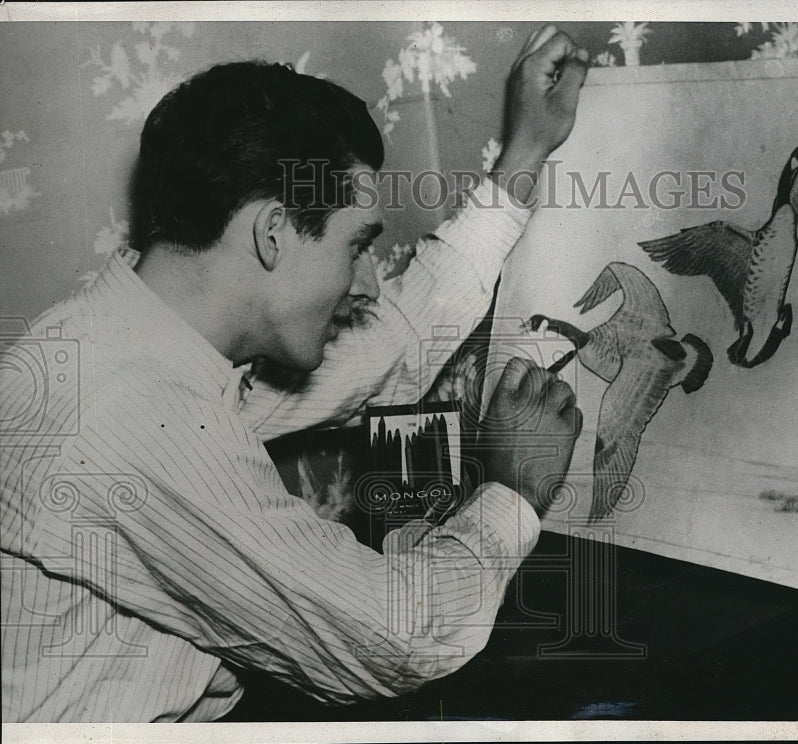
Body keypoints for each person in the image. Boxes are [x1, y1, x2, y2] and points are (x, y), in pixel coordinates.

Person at [0, 26, 588, 722]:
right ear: (273, 232)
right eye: (358, 245)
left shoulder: (135, 340)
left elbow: (390, 347)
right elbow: (396, 639)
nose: (368, 282)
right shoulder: (127, 416)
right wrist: (512, 488)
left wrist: (523, 155)